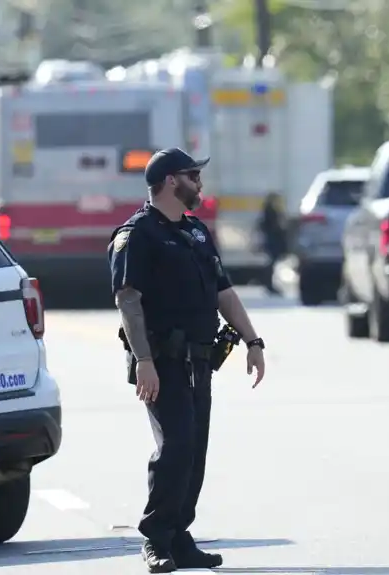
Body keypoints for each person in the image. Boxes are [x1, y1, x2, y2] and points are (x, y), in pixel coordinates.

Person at [107, 148, 268, 573]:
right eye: (192, 175)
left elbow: (224, 292)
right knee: (175, 446)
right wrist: (143, 359)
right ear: (169, 181)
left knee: (194, 450)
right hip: (160, 362)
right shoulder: (137, 234)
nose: (200, 183)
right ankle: (156, 539)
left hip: (200, 361)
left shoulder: (196, 233)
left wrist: (254, 341)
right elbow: (128, 299)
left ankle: (180, 536)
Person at [255, 192, 288, 294]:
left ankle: (269, 284)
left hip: (272, 240)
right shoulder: (270, 211)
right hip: (272, 240)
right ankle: (268, 284)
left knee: (271, 263)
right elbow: (273, 226)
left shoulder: (271, 211)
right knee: (270, 263)